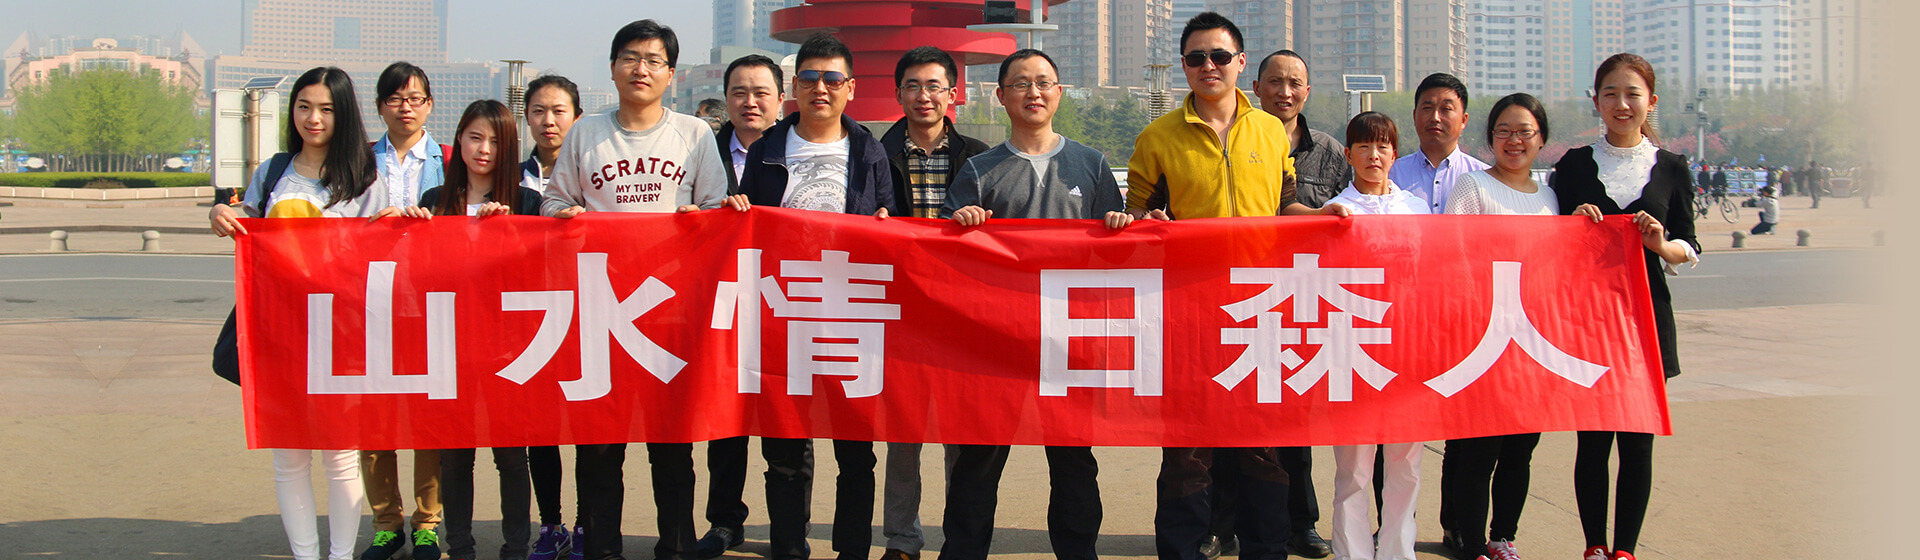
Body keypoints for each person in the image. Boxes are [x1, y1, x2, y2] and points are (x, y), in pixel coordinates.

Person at [1126, 12, 1347, 560]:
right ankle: (1182, 548)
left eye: (1220, 56)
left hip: (1261, 309)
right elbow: (1135, 219)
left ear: (1240, 63)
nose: (1209, 66)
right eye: (1196, 57)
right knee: (1187, 447)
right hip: (1188, 312)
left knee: (1262, 445)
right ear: (1183, 66)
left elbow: (1284, 206)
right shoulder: (1157, 137)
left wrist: (1324, 217)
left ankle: (1266, 548)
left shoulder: (1270, 132)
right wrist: (1146, 224)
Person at [541, 19, 729, 560]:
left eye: (653, 60)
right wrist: (565, 215)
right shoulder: (585, 133)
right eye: (630, 57)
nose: (640, 69)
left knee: (672, 448)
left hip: (670, 311)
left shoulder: (694, 134)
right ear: (613, 67)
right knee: (600, 448)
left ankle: (675, 547)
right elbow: (553, 201)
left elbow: (716, 211)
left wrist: (700, 219)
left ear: (671, 74)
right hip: (602, 312)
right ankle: (603, 549)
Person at [207, 65, 399, 560]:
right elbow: (249, 229)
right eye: (304, 107)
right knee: (289, 457)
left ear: (344, 114)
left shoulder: (365, 179)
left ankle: (339, 555)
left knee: (340, 455)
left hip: (340, 333)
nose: (314, 118)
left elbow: (379, 257)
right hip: (279, 330)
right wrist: (221, 214)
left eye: (327, 109)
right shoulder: (273, 172)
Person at [937, 48, 1121, 560]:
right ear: (1001, 96)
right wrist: (961, 224)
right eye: (1020, 84)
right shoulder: (979, 170)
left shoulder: (1092, 164)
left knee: (1074, 461)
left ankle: (1078, 552)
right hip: (995, 343)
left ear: (1059, 93)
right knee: (978, 461)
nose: (1033, 93)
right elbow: (942, 254)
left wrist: (1120, 226)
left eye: (1043, 83)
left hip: (1069, 341)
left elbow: (1117, 253)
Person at [726, 32, 898, 560]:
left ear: (850, 87)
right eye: (809, 78)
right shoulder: (767, 149)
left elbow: (891, 222)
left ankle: (852, 550)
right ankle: (788, 547)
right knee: (785, 452)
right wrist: (735, 213)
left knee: (856, 454)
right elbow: (746, 228)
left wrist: (885, 223)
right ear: (793, 87)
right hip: (785, 315)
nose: (820, 88)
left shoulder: (869, 150)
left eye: (831, 78)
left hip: (850, 317)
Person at [1550, 53, 1699, 560]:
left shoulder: (1672, 168)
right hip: (1588, 321)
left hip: (1646, 320)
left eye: (1632, 94)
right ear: (1595, 101)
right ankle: (1594, 545)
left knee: (1638, 442)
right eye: (1610, 93)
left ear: (1650, 102)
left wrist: (1661, 244)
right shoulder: (1573, 165)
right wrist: (1573, 226)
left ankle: (1626, 550)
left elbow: (1689, 246)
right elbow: (1549, 244)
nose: (1621, 104)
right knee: (1593, 443)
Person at [866, 45, 995, 560]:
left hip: (963, 311)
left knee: (962, 434)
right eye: (913, 86)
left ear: (953, 94)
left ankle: (959, 539)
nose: (924, 96)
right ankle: (902, 539)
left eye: (934, 86)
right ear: (898, 93)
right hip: (900, 309)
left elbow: (1005, 231)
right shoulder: (874, 154)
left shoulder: (980, 155)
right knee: (904, 434)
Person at [1224, 48, 1346, 560]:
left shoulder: (1331, 152)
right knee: (1227, 417)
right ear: (1255, 87)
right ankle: (1222, 524)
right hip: (1236, 296)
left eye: (1295, 83)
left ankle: (1301, 523)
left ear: (1308, 91)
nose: (1285, 92)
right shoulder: (1233, 138)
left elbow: (1351, 216)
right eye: (1275, 82)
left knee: (1295, 422)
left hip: (1304, 301)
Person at [696, 53, 815, 560]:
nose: (750, 102)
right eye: (739, 92)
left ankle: (790, 532)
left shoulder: (801, 149)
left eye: (761, 92)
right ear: (726, 99)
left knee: (790, 430)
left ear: (781, 97)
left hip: (789, 307)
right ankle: (725, 522)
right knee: (724, 427)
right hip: (723, 308)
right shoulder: (702, 152)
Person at [415, 99, 546, 560]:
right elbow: (420, 274)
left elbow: (543, 274)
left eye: (495, 140)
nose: (484, 149)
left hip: (509, 348)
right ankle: (460, 547)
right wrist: (409, 231)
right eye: (475, 137)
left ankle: (516, 547)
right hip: (449, 345)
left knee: (511, 455)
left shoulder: (527, 202)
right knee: (455, 456)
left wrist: (508, 232)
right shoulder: (435, 202)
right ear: (459, 140)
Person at [1438, 93, 1558, 560]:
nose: (1514, 140)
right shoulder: (1473, 187)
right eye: (1504, 131)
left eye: (1525, 132)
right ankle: (1470, 542)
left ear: (1541, 139)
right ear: (1490, 138)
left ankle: (1503, 536)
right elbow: (1453, 259)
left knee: (1520, 450)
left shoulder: (1549, 196)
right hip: (1483, 339)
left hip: (1531, 341)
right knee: (1477, 451)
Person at [1322, 112, 1426, 560]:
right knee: (1354, 468)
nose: (1374, 155)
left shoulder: (1417, 209)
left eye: (1383, 146)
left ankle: (1399, 551)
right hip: (1353, 347)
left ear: (1395, 154)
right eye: (1364, 146)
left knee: (1406, 465)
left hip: (1407, 347)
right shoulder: (1335, 212)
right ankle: (1352, 553)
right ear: (1349, 155)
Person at [361, 60, 450, 560]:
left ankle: (426, 522)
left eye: (415, 99)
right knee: (373, 417)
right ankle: (385, 523)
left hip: (428, 302)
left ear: (429, 105)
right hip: (369, 301)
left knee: (427, 416)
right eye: (395, 99)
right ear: (380, 107)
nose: (405, 108)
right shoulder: (357, 160)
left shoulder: (450, 160)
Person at [1390, 73, 1490, 214]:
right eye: (1427, 108)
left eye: (1446, 109)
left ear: (1463, 120)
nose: (1435, 118)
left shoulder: (1484, 178)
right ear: (1414, 116)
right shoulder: (1391, 175)